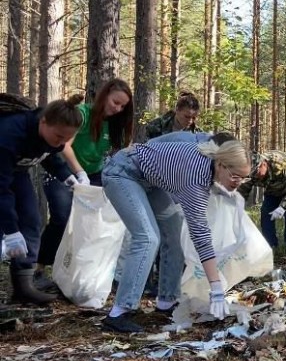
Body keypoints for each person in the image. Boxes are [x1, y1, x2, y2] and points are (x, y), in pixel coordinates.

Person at [101, 140, 251, 333]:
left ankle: (166, 301)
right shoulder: (195, 179)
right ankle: (119, 312)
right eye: (235, 176)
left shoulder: (209, 151)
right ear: (221, 164)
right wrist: (216, 288)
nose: (237, 183)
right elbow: (200, 235)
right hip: (123, 173)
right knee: (147, 238)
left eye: (243, 178)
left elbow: (176, 137)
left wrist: (150, 150)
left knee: (174, 232)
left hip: (150, 179)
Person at [37, 79, 134, 280]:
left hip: (95, 174)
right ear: (104, 95)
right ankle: (40, 267)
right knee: (61, 218)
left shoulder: (116, 124)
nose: (118, 109)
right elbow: (64, 146)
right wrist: (79, 173)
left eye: (123, 106)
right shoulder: (82, 113)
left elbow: (115, 153)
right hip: (62, 170)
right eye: (115, 102)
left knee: (92, 222)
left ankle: (78, 270)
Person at [0, 94, 84, 304]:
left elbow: (50, 155)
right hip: (1, 172)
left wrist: (67, 176)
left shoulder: (52, 135)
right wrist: (10, 231)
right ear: (43, 121)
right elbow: (1, 189)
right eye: (59, 137)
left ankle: (23, 287)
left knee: (31, 219)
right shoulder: (10, 133)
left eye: (66, 139)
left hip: (17, 171)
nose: (61, 143)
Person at [237, 150, 286, 252]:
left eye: (256, 172)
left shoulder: (280, 164)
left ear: (263, 164)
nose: (255, 176)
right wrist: (237, 208)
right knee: (266, 212)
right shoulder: (251, 172)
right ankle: (270, 246)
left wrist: (282, 207)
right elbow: (243, 190)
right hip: (272, 188)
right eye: (251, 174)